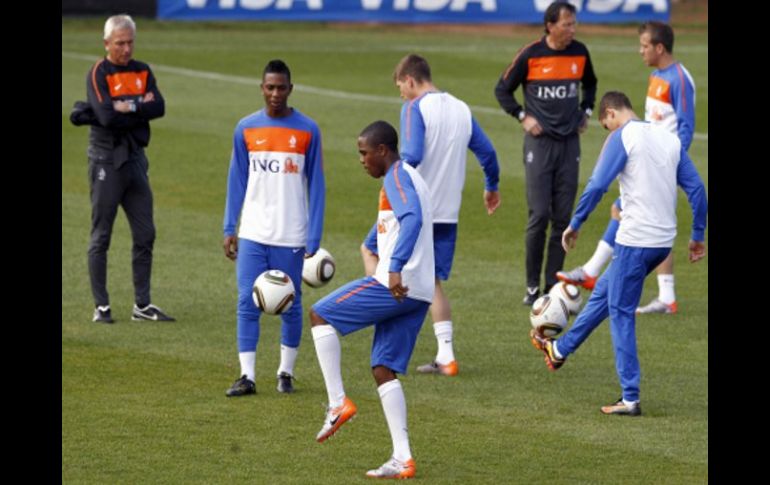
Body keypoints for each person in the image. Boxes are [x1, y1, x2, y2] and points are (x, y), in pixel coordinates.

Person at [529, 91, 707, 416]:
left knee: (621, 313)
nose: (607, 131)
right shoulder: (668, 138)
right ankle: (560, 349)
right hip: (661, 243)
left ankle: (630, 397)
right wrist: (697, 236)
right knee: (604, 297)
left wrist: (576, 223)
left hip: (635, 241)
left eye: (605, 124)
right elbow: (696, 189)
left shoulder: (621, 136)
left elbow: (598, 184)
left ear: (610, 113)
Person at [360, 54, 500, 376]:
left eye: (401, 87)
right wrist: (491, 186)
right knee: (431, 281)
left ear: (410, 80)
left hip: (412, 209)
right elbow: (488, 153)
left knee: (370, 249)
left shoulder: (414, 108)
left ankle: (377, 310)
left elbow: (410, 155)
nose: (401, 95)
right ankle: (446, 355)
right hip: (447, 214)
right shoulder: (462, 109)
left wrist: (393, 186)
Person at [310, 121, 433, 479]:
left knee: (320, 314)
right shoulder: (408, 177)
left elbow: (412, 219)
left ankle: (337, 404)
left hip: (398, 285)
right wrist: (371, 246)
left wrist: (393, 268)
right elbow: (392, 227)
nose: (361, 160)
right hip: (420, 291)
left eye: (364, 153)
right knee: (383, 368)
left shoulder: (396, 177)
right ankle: (402, 458)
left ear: (383, 150)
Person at [557, 21, 696, 316]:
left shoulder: (679, 79)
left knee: (635, 216)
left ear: (660, 47)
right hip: (650, 161)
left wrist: (669, 163)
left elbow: (685, 127)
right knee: (632, 215)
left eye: (644, 45)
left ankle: (596, 271)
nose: (640, 51)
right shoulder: (656, 76)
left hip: (662, 165)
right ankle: (664, 295)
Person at [222, 59, 325, 396]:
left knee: (291, 304)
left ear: (290, 89)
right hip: (253, 232)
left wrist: (314, 234)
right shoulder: (245, 128)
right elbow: (237, 180)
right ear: (262, 88)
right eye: (270, 87)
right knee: (246, 302)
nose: (276, 93)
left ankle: (285, 373)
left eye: (282, 87)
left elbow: (318, 185)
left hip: (291, 234)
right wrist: (229, 226)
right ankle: (247, 376)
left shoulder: (308, 129)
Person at [494, 1, 598, 306]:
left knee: (563, 217)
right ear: (550, 25)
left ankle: (553, 285)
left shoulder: (580, 52)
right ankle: (531, 286)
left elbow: (590, 85)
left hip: (569, 145)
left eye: (574, 24)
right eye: (567, 24)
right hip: (539, 146)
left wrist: (586, 111)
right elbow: (502, 89)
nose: (572, 29)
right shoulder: (531, 54)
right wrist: (522, 116)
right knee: (539, 214)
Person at [79, 14, 173, 324]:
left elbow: (158, 106)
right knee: (101, 236)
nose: (126, 48)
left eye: (130, 41)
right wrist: (136, 107)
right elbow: (106, 117)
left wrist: (126, 105)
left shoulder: (142, 70)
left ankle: (142, 306)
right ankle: (102, 306)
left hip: (135, 160)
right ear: (106, 43)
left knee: (146, 233)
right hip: (106, 160)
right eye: (119, 43)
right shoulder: (98, 72)